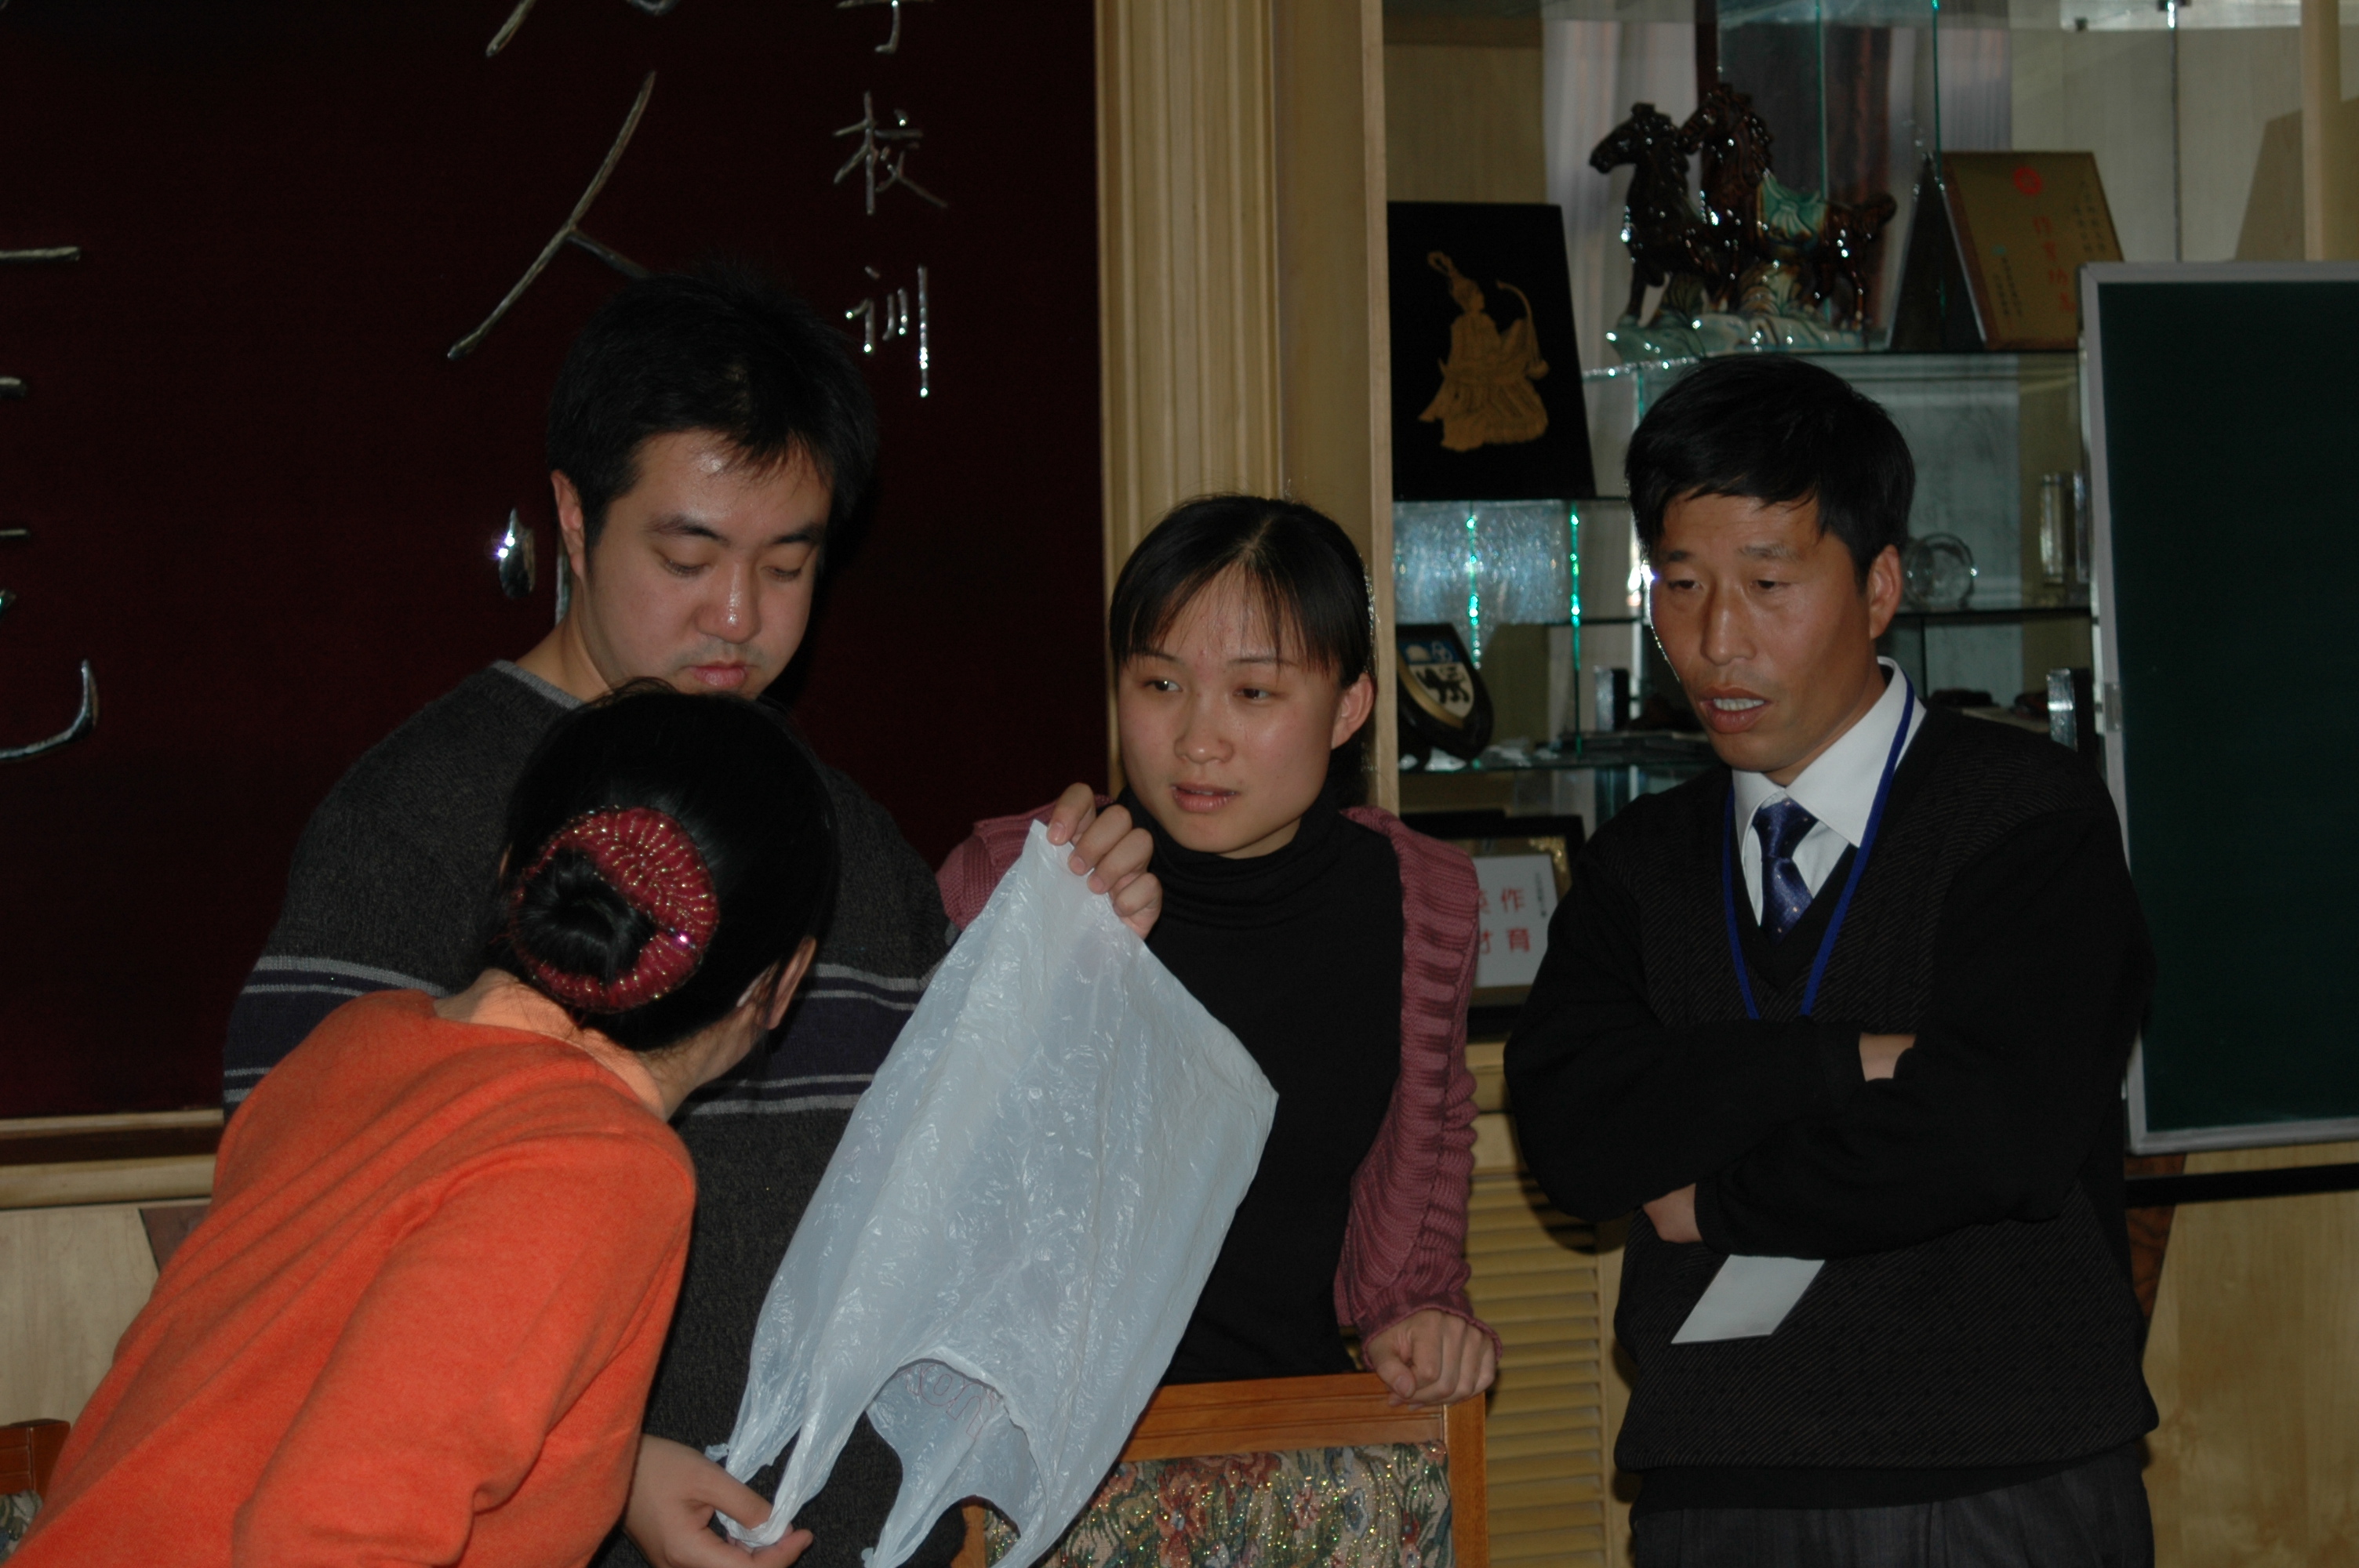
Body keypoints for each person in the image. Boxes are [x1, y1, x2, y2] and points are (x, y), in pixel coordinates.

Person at [218, 264, 1150, 1568]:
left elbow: (955, 1197)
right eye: (688, 557)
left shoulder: (838, 834)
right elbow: (286, 1257)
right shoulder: (416, 820)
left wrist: (1059, 972)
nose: (740, 617)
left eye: (789, 564)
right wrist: (607, 1472)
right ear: (574, 520)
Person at [1504, 355, 2157, 1566]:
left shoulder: (2026, 815)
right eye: (1682, 586)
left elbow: (1992, 1134)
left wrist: (1712, 1198)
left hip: (1998, 1476)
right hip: (1713, 1479)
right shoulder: (1642, 861)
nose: (1717, 640)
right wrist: (1848, 1063)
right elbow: (1576, 1134)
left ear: (1879, 588)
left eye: (1768, 584)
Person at [20, 688, 832, 1568]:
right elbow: (331, 1543)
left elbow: (294, 1374)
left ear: (516, 873)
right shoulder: (601, 1165)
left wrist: (610, 1468)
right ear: (780, 984)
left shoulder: (359, 1039)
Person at [936, 496, 1499, 1562]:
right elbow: (920, 1201)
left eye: (1254, 691)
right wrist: (1044, 959)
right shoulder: (1021, 884)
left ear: (1349, 706)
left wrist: (1424, 1317)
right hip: (1043, 1477)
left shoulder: (1418, 902)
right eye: (1159, 684)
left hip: (1293, 1458)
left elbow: (1421, 1178)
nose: (1197, 739)